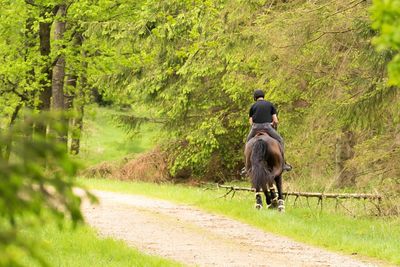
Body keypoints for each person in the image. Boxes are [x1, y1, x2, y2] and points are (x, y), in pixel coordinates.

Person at [245, 89, 292, 172]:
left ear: (255, 97)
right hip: (267, 127)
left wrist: (255, 125)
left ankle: (246, 167)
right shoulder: (270, 105)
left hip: (255, 128)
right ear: (263, 96)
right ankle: (283, 164)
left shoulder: (253, 106)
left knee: (248, 143)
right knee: (280, 140)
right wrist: (272, 123)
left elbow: (250, 121)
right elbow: (276, 120)